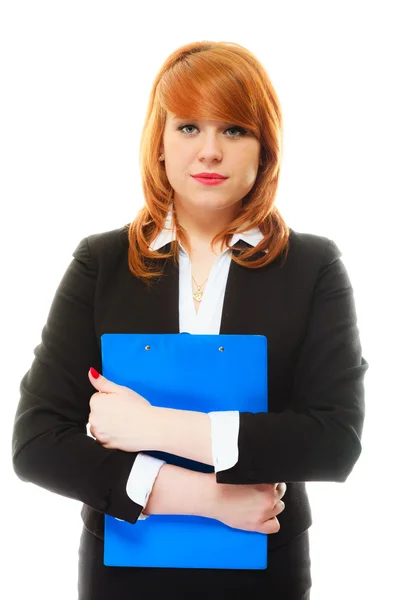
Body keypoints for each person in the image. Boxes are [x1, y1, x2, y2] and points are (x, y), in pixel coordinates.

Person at [11, 40, 368, 599]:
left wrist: (152, 428)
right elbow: (36, 443)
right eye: (187, 128)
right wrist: (206, 497)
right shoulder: (100, 262)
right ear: (158, 143)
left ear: (264, 148)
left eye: (233, 130)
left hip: (266, 567)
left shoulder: (314, 266)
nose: (209, 152)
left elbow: (333, 440)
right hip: (122, 568)